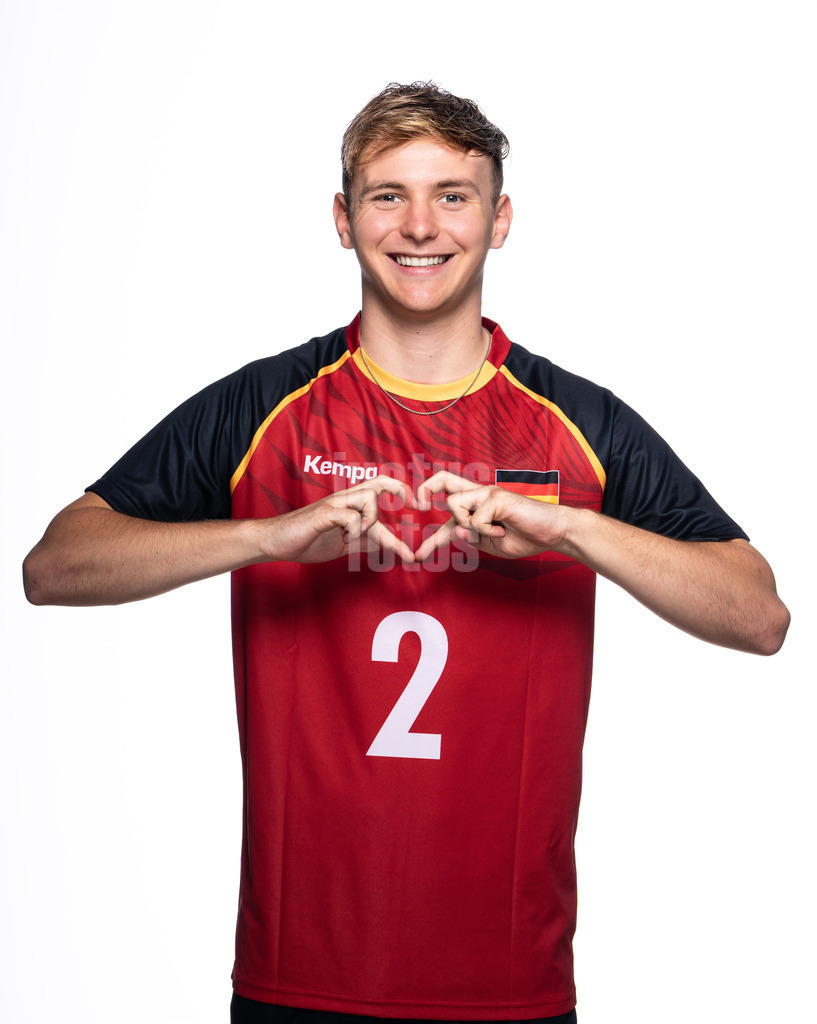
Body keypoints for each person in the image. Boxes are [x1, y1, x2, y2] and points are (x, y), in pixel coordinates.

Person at [23, 82, 789, 1023]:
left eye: (452, 195)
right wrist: (265, 537)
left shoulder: (576, 425)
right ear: (342, 221)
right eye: (387, 195)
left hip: (509, 980)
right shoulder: (267, 407)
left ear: (499, 219)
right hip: (299, 971)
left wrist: (573, 530)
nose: (420, 225)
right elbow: (54, 565)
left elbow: (758, 616)